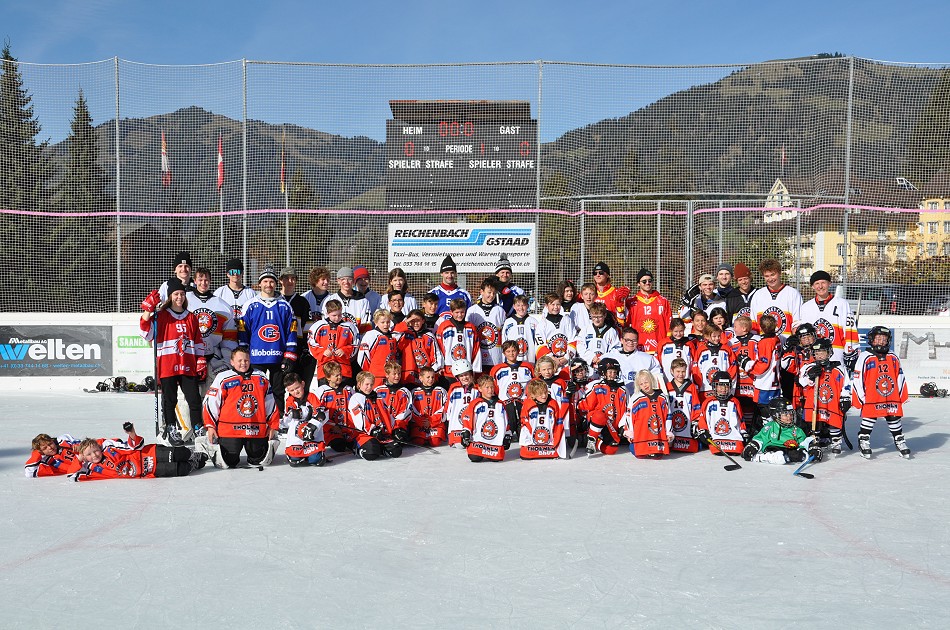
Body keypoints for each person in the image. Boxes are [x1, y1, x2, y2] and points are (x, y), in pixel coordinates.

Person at [140, 277, 206, 445]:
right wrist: (148, 311)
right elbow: (146, 334)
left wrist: (200, 360)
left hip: (187, 364)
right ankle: (171, 428)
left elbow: (197, 340)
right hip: (168, 364)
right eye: (176, 294)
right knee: (170, 400)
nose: (179, 297)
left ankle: (198, 427)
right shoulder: (161, 316)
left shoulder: (191, 317)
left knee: (194, 399)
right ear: (170, 296)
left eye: (182, 294)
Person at [199, 347, 279, 469]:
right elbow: (210, 402)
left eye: (246, 360)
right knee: (228, 462)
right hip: (229, 429)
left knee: (258, 459)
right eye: (239, 360)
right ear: (232, 362)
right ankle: (211, 443)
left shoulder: (261, 377)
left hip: (255, 428)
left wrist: (273, 425)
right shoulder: (223, 377)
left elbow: (270, 403)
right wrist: (210, 426)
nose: (243, 363)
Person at [237, 266, 298, 416]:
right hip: (257, 355)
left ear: (276, 283)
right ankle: (256, 416)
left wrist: (290, 354)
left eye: (271, 281)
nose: (268, 284)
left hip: (277, 355)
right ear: (260, 284)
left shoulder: (284, 306)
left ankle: (277, 418)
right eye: (265, 281)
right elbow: (243, 330)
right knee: (256, 388)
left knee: (278, 390)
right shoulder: (250, 305)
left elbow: (292, 330)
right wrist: (244, 351)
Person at [852, 326, 910, 459]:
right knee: (870, 417)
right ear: (871, 340)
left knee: (893, 416)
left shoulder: (893, 356)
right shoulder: (865, 357)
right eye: (878, 338)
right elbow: (858, 377)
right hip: (872, 395)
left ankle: (899, 440)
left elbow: (899, 375)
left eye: (884, 339)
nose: (881, 341)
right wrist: (861, 397)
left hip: (891, 395)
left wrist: (900, 395)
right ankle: (864, 440)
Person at [69, 433, 206, 481]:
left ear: (99, 448)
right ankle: (195, 463)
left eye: (95, 451)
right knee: (182, 469)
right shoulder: (92, 469)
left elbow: (132, 446)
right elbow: (71, 476)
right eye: (89, 454)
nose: (94, 455)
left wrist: (132, 434)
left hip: (147, 454)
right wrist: (79, 459)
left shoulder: (109, 447)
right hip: (149, 471)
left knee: (181, 454)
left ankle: (195, 454)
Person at [798, 338, 852, 454]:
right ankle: (815, 440)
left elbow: (846, 385)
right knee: (815, 421)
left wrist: (845, 398)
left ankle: (836, 441)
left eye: (822, 352)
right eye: (816, 353)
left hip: (832, 402)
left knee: (833, 421)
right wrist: (810, 376)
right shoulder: (809, 367)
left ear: (829, 352)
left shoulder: (838, 368)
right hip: (814, 402)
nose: (819, 356)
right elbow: (801, 382)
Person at [799, 270, 859, 369]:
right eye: (817, 283)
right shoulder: (806, 307)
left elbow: (850, 330)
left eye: (823, 283)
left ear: (829, 284)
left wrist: (850, 352)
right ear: (812, 286)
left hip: (837, 356)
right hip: (815, 357)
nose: (820, 286)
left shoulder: (842, 304)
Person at [188, 267, 238, 385]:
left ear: (210, 281)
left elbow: (229, 338)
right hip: (190, 355)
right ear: (195, 281)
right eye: (200, 280)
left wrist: (227, 359)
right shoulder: (185, 299)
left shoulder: (222, 306)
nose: (203, 283)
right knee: (191, 397)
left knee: (212, 394)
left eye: (206, 280)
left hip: (213, 357)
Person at [737, 314, 783, 432]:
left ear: (761, 327)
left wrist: (746, 363)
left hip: (765, 384)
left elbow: (762, 366)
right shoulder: (776, 339)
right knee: (770, 411)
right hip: (774, 383)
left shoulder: (765, 342)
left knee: (765, 411)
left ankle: (770, 434)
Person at [741, 397, 821, 465]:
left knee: (799, 455)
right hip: (772, 452)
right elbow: (760, 439)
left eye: (790, 413)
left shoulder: (797, 430)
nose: (789, 417)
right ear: (775, 415)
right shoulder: (770, 427)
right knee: (779, 456)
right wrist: (753, 446)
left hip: (789, 455)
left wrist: (812, 447)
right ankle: (759, 458)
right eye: (785, 414)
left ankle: (787, 457)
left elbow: (804, 443)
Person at [347, 371, 403, 460]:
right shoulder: (356, 398)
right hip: (363, 433)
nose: (369, 387)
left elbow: (387, 414)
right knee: (371, 452)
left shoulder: (378, 397)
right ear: (359, 384)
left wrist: (394, 428)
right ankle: (357, 448)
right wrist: (372, 430)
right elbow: (358, 418)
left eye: (371, 384)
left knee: (396, 450)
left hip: (380, 433)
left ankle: (381, 448)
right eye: (366, 384)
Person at [579, 357, 626, 456]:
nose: (612, 374)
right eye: (609, 372)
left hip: (611, 426)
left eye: (614, 372)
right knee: (600, 415)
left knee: (611, 450)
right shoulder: (595, 385)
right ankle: (591, 438)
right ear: (603, 372)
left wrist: (622, 426)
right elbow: (584, 405)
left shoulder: (623, 390)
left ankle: (596, 443)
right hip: (596, 423)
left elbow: (627, 410)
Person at [280, 267, 316, 394]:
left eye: (293, 279)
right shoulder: (275, 300)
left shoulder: (302, 302)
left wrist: (306, 348)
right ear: (280, 280)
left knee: (299, 387)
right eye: (286, 278)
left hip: (298, 350)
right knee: (279, 388)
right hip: (278, 349)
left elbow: (308, 327)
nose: (290, 281)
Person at [620, 370, 673, 458]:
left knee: (658, 457)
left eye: (646, 382)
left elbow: (668, 416)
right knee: (638, 453)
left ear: (651, 380)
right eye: (641, 384)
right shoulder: (636, 398)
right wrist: (630, 433)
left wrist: (669, 432)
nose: (645, 385)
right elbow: (629, 417)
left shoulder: (662, 397)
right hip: (641, 434)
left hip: (657, 435)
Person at [281, 372, 329, 466]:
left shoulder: (312, 397)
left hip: (312, 437)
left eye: (297, 387)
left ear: (302, 384)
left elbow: (322, 414)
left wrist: (313, 425)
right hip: (296, 438)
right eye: (292, 390)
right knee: (295, 461)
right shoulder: (290, 401)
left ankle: (315, 455)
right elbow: (287, 421)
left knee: (315, 460)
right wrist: (290, 415)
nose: (296, 392)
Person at [459, 374, 511, 462]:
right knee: (474, 457)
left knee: (496, 459)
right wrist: (466, 433)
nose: (490, 390)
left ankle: (492, 451)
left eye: (492, 387)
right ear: (479, 388)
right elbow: (467, 418)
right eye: (487, 387)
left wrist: (507, 434)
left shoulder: (500, 404)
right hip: (479, 440)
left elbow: (506, 421)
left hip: (495, 442)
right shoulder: (475, 403)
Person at [695, 370, 746, 456]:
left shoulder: (735, 402)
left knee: (739, 449)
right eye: (720, 386)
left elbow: (741, 419)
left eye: (726, 386)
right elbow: (702, 419)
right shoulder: (708, 402)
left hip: (734, 439)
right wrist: (703, 431)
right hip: (716, 438)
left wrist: (744, 432)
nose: (723, 389)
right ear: (714, 387)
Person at [308, 299, 358, 387]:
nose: (337, 318)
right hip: (325, 369)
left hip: (343, 369)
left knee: (345, 395)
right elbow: (311, 343)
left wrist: (345, 350)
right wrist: (323, 351)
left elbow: (356, 344)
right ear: (327, 313)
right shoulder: (318, 326)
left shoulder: (349, 327)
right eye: (334, 315)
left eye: (339, 315)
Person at [490, 340, 535, 438]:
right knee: (506, 433)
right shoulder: (497, 369)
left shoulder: (528, 366)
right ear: (504, 353)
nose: (511, 353)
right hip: (506, 403)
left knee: (524, 434)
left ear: (518, 351)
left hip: (523, 402)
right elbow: (494, 387)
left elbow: (534, 385)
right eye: (508, 351)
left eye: (513, 350)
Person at [749, 258, 801, 339]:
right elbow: (754, 323)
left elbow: (797, 322)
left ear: (779, 273)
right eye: (766, 276)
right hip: (764, 345)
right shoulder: (758, 295)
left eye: (773, 274)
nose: (770, 279)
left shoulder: (793, 293)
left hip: (786, 344)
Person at [624, 268, 672, 355]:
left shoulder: (663, 301)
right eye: (644, 281)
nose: (647, 283)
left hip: (659, 348)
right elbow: (625, 324)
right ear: (638, 283)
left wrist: (668, 344)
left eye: (650, 280)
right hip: (638, 348)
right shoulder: (631, 302)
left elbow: (669, 324)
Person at [311, 361, 354, 453]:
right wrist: (331, 426)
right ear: (328, 377)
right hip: (330, 430)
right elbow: (317, 413)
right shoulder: (321, 391)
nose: (340, 377)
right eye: (336, 375)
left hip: (348, 428)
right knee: (340, 446)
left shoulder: (348, 389)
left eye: (340, 374)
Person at [519, 379, 568, 459]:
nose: (544, 396)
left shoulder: (553, 403)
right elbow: (524, 422)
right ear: (533, 395)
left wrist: (557, 442)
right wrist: (528, 439)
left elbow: (558, 423)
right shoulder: (528, 403)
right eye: (540, 394)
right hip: (533, 439)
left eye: (545, 392)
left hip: (549, 440)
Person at [436, 298, 482, 379]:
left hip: (466, 370)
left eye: (462, 312)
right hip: (448, 370)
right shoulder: (444, 326)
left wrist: (475, 368)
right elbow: (439, 348)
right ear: (451, 312)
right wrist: (440, 365)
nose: (460, 315)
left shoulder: (471, 327)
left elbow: (476, 349)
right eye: (457, 312)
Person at [467, 277, 506, 370]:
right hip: (478, 358)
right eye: (489, 292)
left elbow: (504, 334)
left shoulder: (500, 310)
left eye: (494, 293)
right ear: (482, 292)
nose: (491, 295)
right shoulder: (472, 310)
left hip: (496, 359)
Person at [358, 309, 406, 385]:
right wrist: (369, 373)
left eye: (388, 322)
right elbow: (363, 356)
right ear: (376, 322)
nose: (385, 325)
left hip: (390, 377)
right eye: (382, 322)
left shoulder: (393, 336)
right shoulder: (371, 335)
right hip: (376, 377)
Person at [691, 324, 736, 403]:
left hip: (722, 388)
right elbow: (695, 368)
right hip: (705, 388)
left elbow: (733, 367)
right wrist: (699, 383)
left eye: (719, 336)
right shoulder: (701, 350)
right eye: (714, 336)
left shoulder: (726, 349)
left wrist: (728, 382)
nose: (717, 338)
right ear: (707, 336)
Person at [665, 358, 702, 453]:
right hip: (672, 422)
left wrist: (695, 422)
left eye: (683, 371)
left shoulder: (691, 386)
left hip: (687, 422)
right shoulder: (667, 386)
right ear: (671, 371)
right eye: (678, 371)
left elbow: (696, 405)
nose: (681, 374)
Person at [397, 308, 443, 385]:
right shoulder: (404, 335)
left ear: (423, 320)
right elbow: (394, 336)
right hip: (408, 376)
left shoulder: (429, 336)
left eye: (418, 320)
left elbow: (437, 356)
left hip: (425, 378)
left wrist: (432, 373)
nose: (415, 323)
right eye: (412, 320)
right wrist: (406, 322)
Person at [322, 267, 372, 334]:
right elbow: (325, 323)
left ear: (354, 281)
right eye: (343, 279)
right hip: (335, 340)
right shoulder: (330, 299)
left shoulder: (362, 301)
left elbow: (366, 326)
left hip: (355, 341)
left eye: (349, 279)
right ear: (338, 281)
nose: (346, 282)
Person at [534, 293, 576, 369]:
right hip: (550, 365)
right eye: (552, 304)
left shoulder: (567, 320)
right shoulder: (542, 324)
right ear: (546, 306)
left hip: (566, 363)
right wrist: (553, 359)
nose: (555, 307)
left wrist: (566, 358)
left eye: (558, 304)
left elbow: (573, 340)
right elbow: (540, 346)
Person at [374, 360, 412, 444]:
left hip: (398, 426)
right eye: (394, 374)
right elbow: (374, 409)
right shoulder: (378, 390)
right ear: (387, 375)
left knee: (399, 441)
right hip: (382, 425)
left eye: (399, 373)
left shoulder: (404, 391)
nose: (397, 376)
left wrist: (395, 425)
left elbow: (406, 411)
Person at [409, 366, 448, 447]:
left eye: (432, 377)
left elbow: (445, 408)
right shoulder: (414, 392)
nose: (431, 379)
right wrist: (421, 422)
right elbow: (411, 409)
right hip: (419, 423)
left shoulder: (441, 391)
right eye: (428, 377)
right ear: (421, 378)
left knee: (435, 442)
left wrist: (431, 421)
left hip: (436, 423)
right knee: (418, 442)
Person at [574, 302, 619, 369]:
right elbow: (580, 346)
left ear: (605, 315)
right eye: (594, 317)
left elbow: (616, 349)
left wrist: (603, 358)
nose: (596, 320)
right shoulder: (585, 330)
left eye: (599, 316)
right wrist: (591, 357)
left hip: (605, 366)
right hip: (588, 366)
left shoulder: (611, 331)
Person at [445, 359, 479, 447]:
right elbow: (448, 406)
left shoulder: (478, 388)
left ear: (471, 373)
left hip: (473, 425)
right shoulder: (453, 388)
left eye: (467, 374)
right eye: (461, 376)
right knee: (459, 445)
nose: (465, 378)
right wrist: (448, 416)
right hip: (456, 426)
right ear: (457, 377)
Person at [502, 294, 539, 365]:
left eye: (523, 305)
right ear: (514, 306)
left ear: (527, 306)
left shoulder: (534, 322)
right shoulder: (508, 322)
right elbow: (504, 342)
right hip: (512, 362)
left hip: (530, 361)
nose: (521, 308)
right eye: (518, 305)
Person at [591, 261, 629, 326]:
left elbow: (624, 319)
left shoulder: (616, 293)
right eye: (595, 273)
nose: (598, 275)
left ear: (607, 275)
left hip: (611, 329)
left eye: (601, 272)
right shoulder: (589, 292)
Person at [657, 318, 694, 383]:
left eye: (681, 331)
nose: (678, 334)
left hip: (685, 379)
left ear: (684, 329)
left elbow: (694, 362)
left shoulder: (689, 344)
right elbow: (657, 361)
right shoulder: (663, 343)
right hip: (667, 380)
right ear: (671, 330)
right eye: (676, 331)